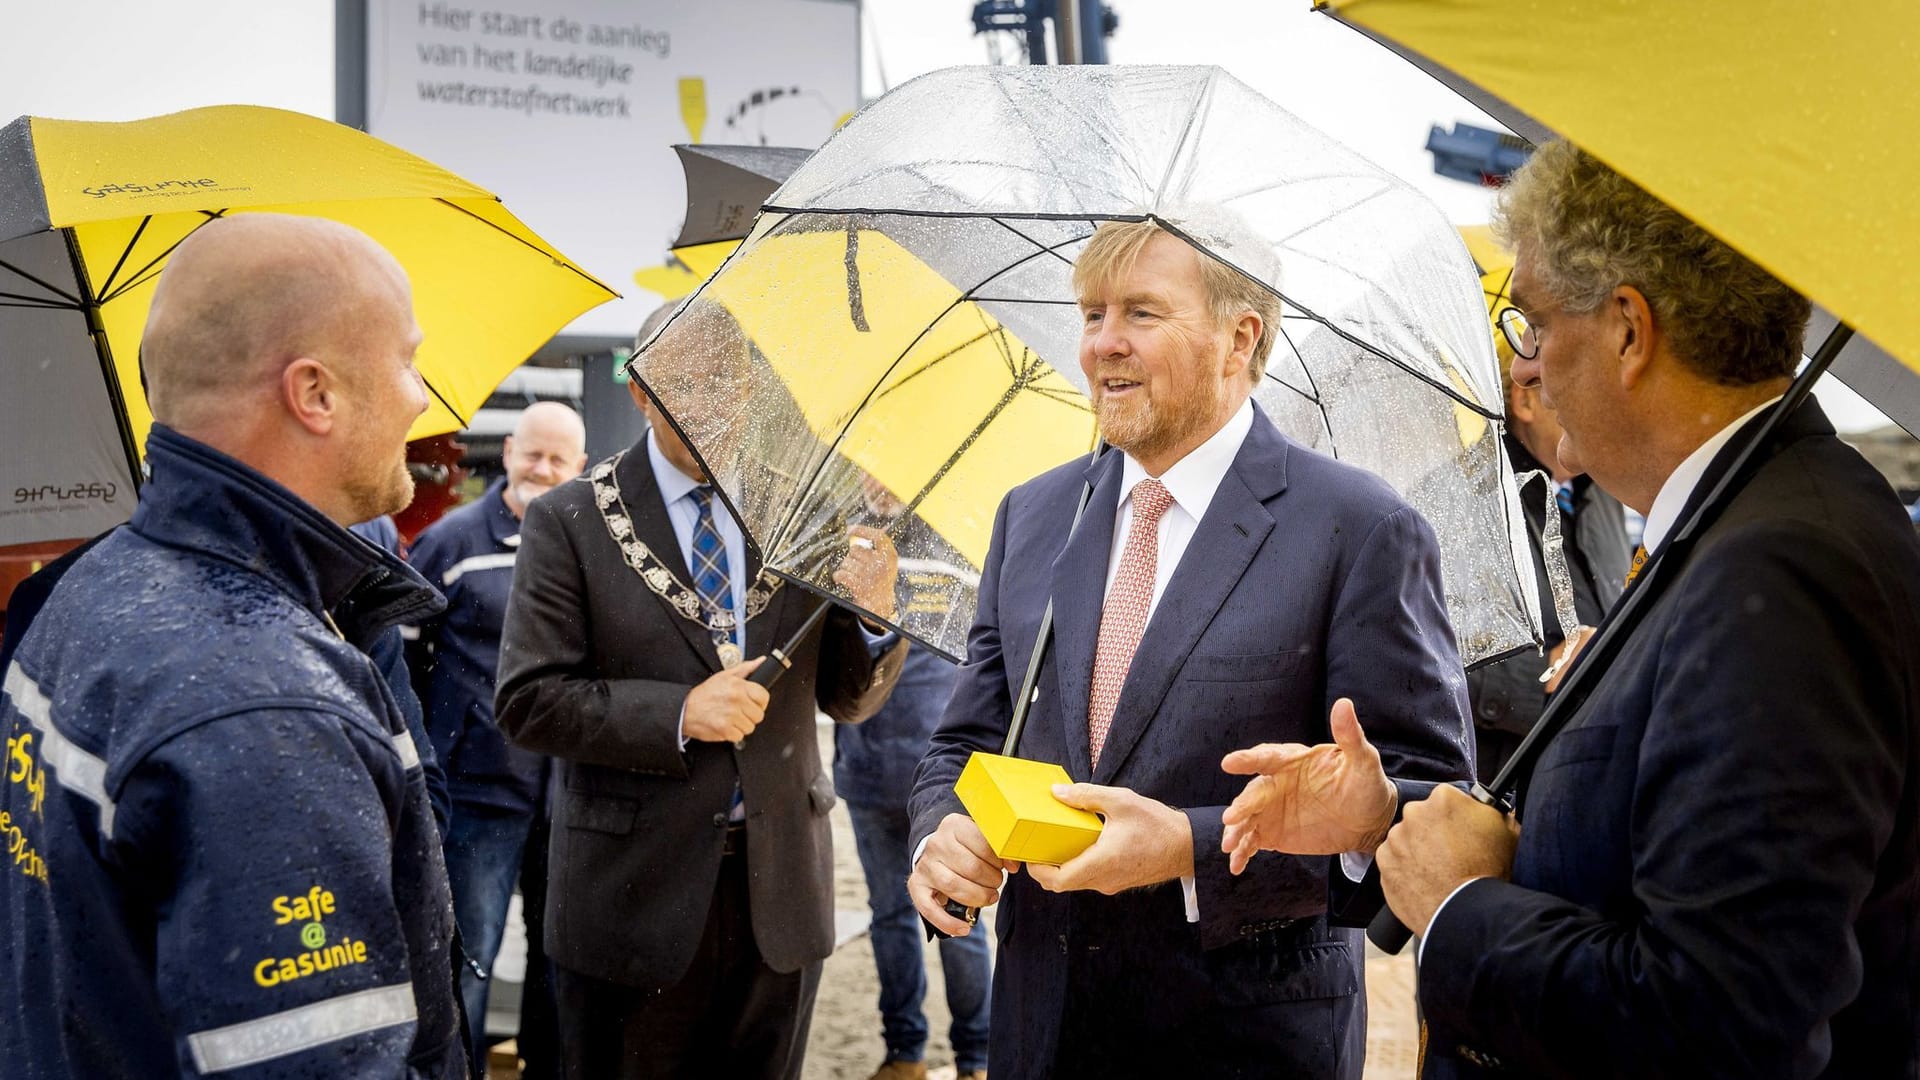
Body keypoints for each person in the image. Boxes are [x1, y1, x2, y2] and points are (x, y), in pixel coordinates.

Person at [1220, 141, 1920, 1077]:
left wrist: (1464, 908)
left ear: (1629, 330)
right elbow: (1618, 853)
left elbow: (1719, 1019)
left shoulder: (1786, 566)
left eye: (1533, 324)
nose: (1529, 367)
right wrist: (1384, 818)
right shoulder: (1738, 527)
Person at [906, 217, 1475, 1079]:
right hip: (1039, 1030)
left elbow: (1428, 809)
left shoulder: (1360, 528)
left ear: (1239, 337)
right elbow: (965, 740)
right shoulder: (1033, 514)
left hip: (1241, 1043)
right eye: (1092, 314)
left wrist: (1188, 845)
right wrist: (940, 834)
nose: (1102, 346)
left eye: (1139, 313)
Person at [0, 214, 466, 1077]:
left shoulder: (85, 592)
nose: (421, 397)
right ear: (314, 393)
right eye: (407, 359)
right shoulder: (263, 704)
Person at [494, 300, 910, 1080]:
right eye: (686, 385)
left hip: (779, 895)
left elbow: (850, 699)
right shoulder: (571, 520)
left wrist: (879, 618)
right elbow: (529, 700)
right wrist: (678, 714)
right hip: (628, 899)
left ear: (753, 388)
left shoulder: (805, 512)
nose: (712, 405)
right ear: (642, 392)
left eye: (729, 383)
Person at [404, 401, 586, 1070]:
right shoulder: (448, 544)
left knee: (557, 960)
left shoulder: (583, 550)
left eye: (557, 459)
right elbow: (407, 667)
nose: (542, 468)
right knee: (468, 960)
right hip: (476, 796)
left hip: (564, 796)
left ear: (580, 468)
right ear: (507, 451)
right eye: (532, 453)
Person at [835, 484, 990, 1080]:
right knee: (890, 915)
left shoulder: (965, 535)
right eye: (869, 470)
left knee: (959, 920)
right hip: (867, 764)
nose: (879, 481)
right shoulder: (841, 540)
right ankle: (906, 1053)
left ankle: (976, 1057)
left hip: (948, 776)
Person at [1464, 337, 1630, 780]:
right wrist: (1550, 669)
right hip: (1506, 784)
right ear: (1525, 399)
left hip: (1597, 768)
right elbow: (1435, 652)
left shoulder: (1607, 492)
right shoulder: (1468, 498)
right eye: (1588, 385)